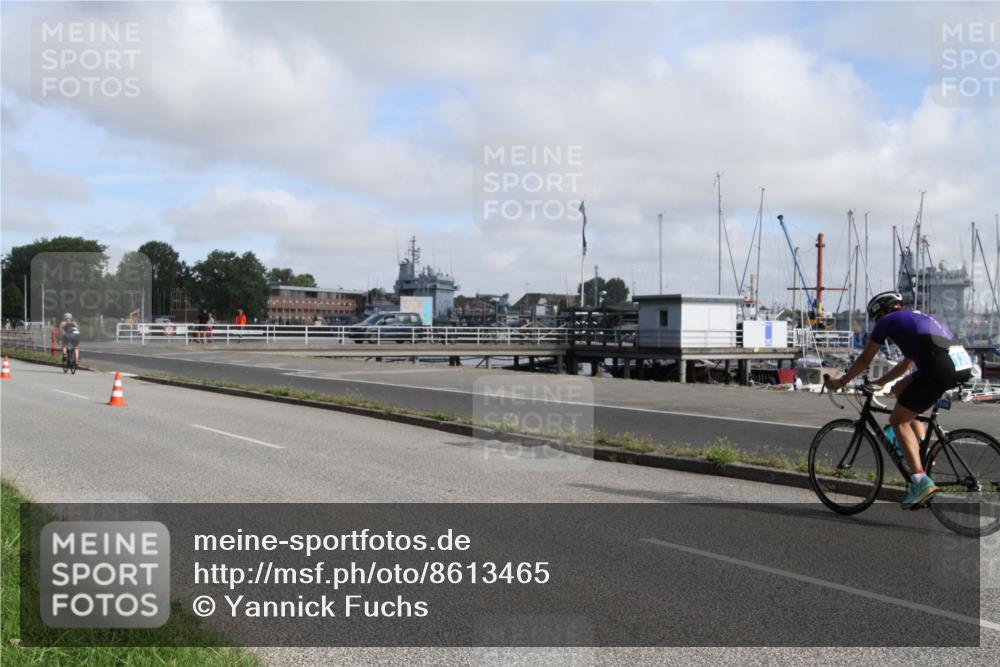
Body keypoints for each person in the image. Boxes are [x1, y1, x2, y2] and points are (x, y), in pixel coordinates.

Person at [825, 292, 975, 510]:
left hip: (939, 369)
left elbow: (865, 358)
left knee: (898, 421)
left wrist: (841, 382)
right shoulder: (914, 319)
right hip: (959, 365)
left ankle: (920, 481)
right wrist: (879, 382)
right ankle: (922, 450)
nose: (878, 322)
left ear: (880, 312)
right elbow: (906, 365)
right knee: (899, 389)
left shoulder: (887, 321)